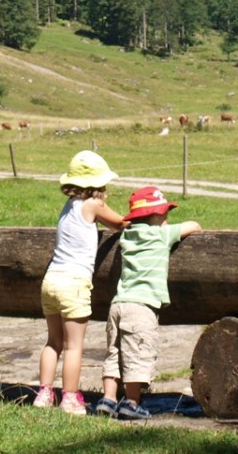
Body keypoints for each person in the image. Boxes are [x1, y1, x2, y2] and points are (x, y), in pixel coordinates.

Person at [94, 185, 202, 420]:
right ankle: (131, 403)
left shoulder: (127, 235)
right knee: (138, 355)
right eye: (165, 213)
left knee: (115, 354)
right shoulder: (161, 234)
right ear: (154, 216)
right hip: (141, 307)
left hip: (118, 304)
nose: (167, 218)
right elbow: (193, 226)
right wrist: (190, 225)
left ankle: (108, 399)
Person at [34, 150, 128, 415]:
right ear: (98, 183)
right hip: (74, 283)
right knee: (73, 346)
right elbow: (119, 223)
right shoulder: (94, 205)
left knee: (53, 342)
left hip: (51, 280)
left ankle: (44, 393)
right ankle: (71, 398)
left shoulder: (69, 206)